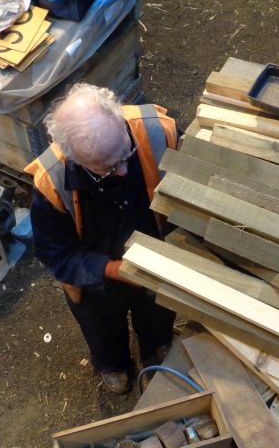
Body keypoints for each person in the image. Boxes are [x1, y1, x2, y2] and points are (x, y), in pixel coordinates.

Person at [25, 84, 178, 393]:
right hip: (94, 274)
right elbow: (57, 255)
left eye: (127, 155)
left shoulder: (159, 132)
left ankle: (154, 353)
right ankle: (113, 363)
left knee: (158, 313)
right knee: (101, 327)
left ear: (119, 118)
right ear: (75, 158)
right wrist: (114, 270)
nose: (123, 171)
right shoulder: (51, 182)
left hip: (155, 258)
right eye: (108, 168)